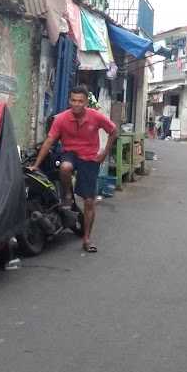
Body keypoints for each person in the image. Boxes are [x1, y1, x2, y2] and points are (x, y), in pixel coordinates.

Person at [30, 85, 118, 253]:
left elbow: (114, 131)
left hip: (90, 157)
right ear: (69, 101)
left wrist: (104, 153)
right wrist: (35, 164)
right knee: (65, 167)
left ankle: (86, 239)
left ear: (86, 102)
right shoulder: (61, 119)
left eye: (80, 101)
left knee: (89, 202)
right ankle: (68, 195)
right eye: (73, 100)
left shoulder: (96, 117)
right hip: (70, 153)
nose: (76, 104)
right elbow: (49, 141)